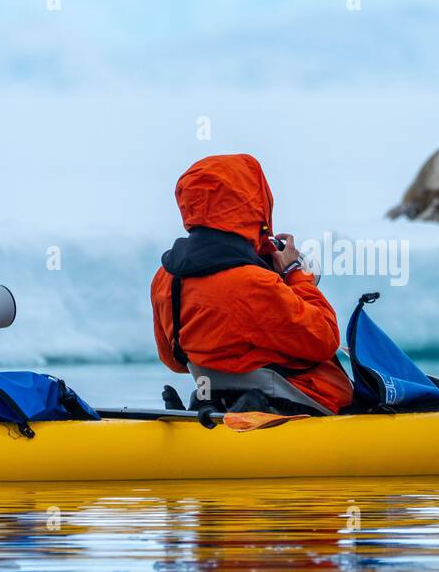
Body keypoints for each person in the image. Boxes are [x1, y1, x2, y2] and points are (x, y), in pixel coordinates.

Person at [151, 154, 353, 415]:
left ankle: (213, 408)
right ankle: (255, 406)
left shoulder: (166, 278)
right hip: (301, 405)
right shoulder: (254, 282)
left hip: (213, 396)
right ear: (254, 204)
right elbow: (324, 338)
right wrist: (295, 273)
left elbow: (175, 361)